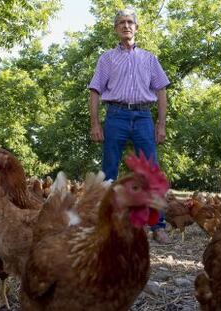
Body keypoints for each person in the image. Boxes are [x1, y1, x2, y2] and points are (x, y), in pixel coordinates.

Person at [88, 7, 171, 244]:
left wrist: (161, 123)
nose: (126, 26)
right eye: (121, 22)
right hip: (115, 116)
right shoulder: (106, 58)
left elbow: (161, 90)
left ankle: (157, 224)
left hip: (144, 117)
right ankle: (105, 222)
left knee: (151, 171)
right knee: (109, 170)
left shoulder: (149, 58)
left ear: (136, 27)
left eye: (130, 22)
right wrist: (95, 123)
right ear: (116, 29)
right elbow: (95, 91)